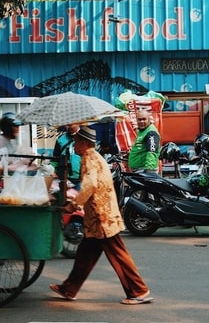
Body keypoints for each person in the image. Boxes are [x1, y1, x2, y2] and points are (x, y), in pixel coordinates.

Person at [49, 126, 153, 305]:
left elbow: (89, 186)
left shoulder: (90, 158)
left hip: (102, 217)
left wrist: (73, 205)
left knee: (118, 255)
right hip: (97, 218)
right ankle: (69, 288)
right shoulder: (91, 157)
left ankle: (139, 291)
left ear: (83, 143)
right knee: (85, 254)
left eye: (76, 142)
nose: (74, 145)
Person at [128, 109, 161, 173]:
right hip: (139, 170)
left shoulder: (151, 132)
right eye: (139, 119)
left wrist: (149, 171)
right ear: (136, 120)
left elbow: (152, 152)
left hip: (145, 171)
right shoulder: (142, 131)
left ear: (149, 120)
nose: (142, 121)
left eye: (144, 119)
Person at [51, 124, 81, 190]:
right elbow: (55, 158)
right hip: (64, 178)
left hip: (81, 179)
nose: (69, 127)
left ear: (78, 123)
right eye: (67, 125)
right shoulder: (60, 139)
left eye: (71, 124)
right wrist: (53, 171)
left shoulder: (84, 138)